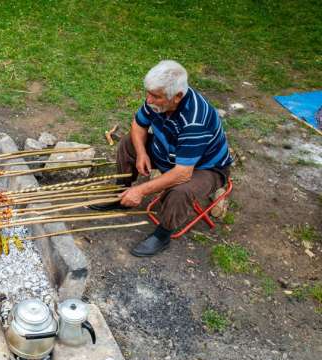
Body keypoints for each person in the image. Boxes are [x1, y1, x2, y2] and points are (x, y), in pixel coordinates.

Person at [94, 60, 233, 256]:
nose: (148, 100)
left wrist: (141, 190)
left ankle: (163, 234)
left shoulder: (195, 121)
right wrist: (142, 153)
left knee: (181, 189)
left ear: (177, 97)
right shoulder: (159, 99)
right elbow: (138, 124)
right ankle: (122, 192)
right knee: (128, 143)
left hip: (204, 168)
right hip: (168, 152)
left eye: (155, 96)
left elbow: (183, 173)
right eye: (148, 93)